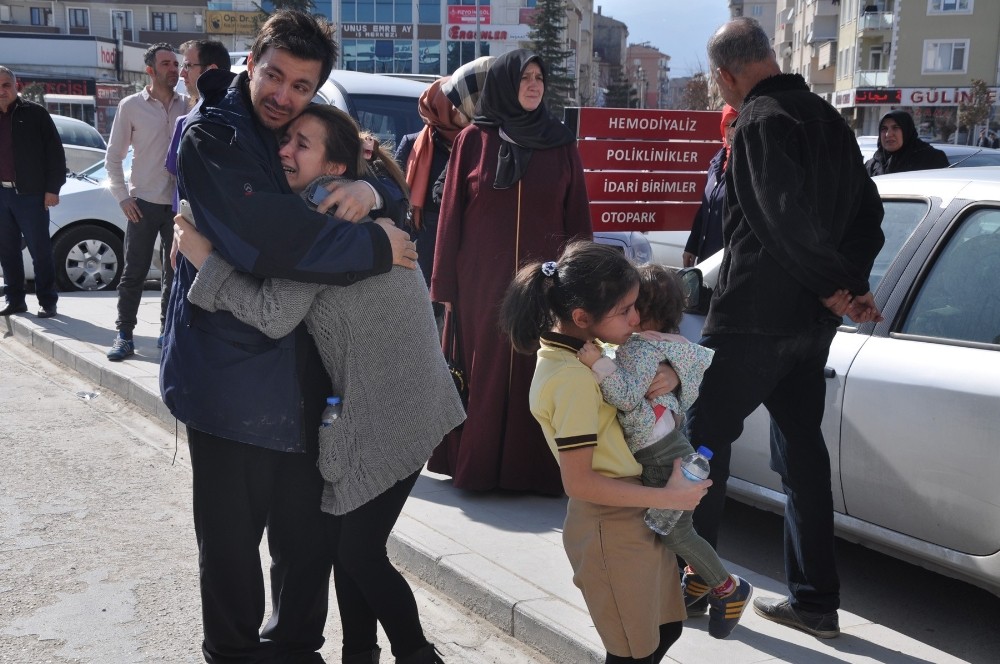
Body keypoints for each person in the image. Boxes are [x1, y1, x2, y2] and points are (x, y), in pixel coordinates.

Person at [159, 10, 417, 663]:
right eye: (274, 76)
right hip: (232, 387)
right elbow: (268, 240)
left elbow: (378, 173)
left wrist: (371, 187)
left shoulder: (306, 128)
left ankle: (298, 651)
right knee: (231, 552)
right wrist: (373, 243)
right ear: (251, 62)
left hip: (310, 388)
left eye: (301, 86)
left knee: (308, 550)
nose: (283, 97)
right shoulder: (211, 134)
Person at [176, 104, 461, 664]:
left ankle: (417, 654)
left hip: (392, 412)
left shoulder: (323, 213)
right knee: (352, 547)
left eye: (300, 143)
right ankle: (360, 652)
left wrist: (203, 260)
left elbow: (274, 313)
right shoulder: (343, 202)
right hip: (400, 404)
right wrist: (376, 193)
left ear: (333, 163)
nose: (284, 150)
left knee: (357, 552)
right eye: (285, 140)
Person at [687, 17, 885, 639]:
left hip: (753, 317)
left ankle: (696, 587)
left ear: (725, 74)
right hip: (812, 323)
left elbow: (779, 219)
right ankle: (815, 603)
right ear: (770, 55)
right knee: (802, 452)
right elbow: (871, 215)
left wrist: (836, 283)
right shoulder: (830, 119)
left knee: (702, 443)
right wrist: (845, 285)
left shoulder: (759, 120)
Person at [498, 241, 710, 663]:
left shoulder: (587, 352)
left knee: (664, 632)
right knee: (634, 653)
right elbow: (578, 481)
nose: (636, 318)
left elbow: (642, 372)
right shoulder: (572, 378)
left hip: (633, 517)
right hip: (610, 523)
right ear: (581, 318)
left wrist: (668, 371)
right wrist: (668, 499)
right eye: (625, 310)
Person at [429, 49, 592, 495]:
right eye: (525, 78)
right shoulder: (473, 141)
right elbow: (450, 215)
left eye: (540, 77)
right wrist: (443, 283)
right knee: (481, 370)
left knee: (536, 370)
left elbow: (577, 217)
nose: (534, 85)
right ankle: (476, 469)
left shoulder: (560, 143)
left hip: (544, 284)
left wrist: (583, 286)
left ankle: (532, 473)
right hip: (480, 283)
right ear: (503, 83)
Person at [576, 264, 752, 639]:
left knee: (673, 533)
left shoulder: (640, 349)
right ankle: (701, 579)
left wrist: (597, 363)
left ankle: (728, 589)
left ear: (642, 313)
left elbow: (624, 396)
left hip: (659, 454)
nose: (627, 314)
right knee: (675, 529)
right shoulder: (670, 345)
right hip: (674, 447)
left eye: (628, 307)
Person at [104, 42, 187, 360]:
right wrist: (123, 198)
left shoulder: (188, 105)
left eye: (177, 64)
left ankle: (167, 334)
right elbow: (113, 159)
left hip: (178, 206)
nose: (174, 69)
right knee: (133, 272)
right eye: (167, 64)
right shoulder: (131, 106)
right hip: (143, 203)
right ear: (150, 70)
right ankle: (124, 334)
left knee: (174, 273)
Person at [394, 56, 493, 290]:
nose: (457, 106)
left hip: (468, 253)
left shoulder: (480, 142)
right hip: (422, 255)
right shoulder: (414, 144)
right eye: (451, 102)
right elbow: (394, 192)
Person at [0, 65, 65, 319]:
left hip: (31, 196)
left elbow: (55, 154)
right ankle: (15, 300)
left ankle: (47, 302)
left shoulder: (35, 114)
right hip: (1, 195)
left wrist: (52, 189)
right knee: (7, 250)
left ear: (16, 86)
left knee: (40, 250)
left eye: (6, 85)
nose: (2, 91)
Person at [165, 40, 230, 213]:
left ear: (211, 70)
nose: (181, 73)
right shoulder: (245, 112)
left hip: (196, 223)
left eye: (188, 66)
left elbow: (173, 167)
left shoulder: (191, 121)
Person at [682, 105, 737, 267]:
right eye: (728, 124)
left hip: (729, 265)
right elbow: (706, 207)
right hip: (706, 260)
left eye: (736, 124)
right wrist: (692, 246)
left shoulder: (748, 166)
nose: (732, 130)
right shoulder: (716, 162)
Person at [864, 110, 949, 176]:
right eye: (884, 129)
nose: (888, 134)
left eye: (895, 127)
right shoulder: (872, 165)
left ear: (906, 131)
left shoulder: (931, 159)